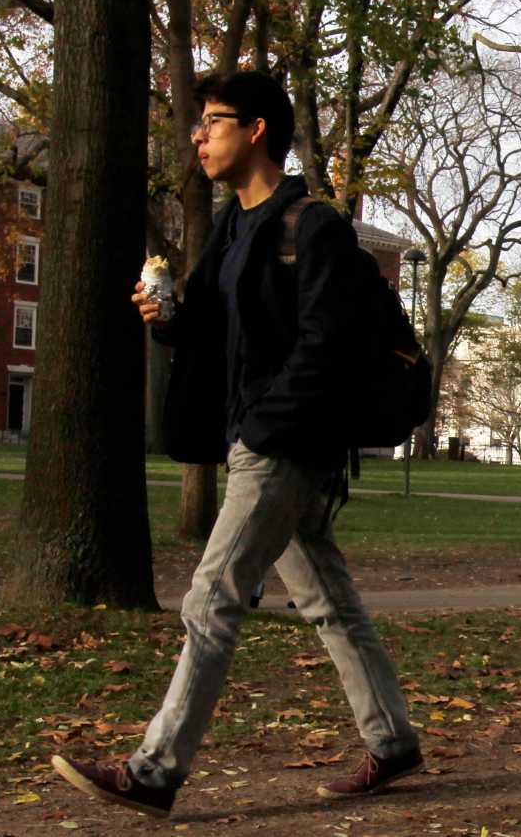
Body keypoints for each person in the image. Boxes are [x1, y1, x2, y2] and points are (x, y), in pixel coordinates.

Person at [51, 71, 421, 819]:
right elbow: (211, 329)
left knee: (212, 596)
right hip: (259, 438)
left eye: (211, 122)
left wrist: (263, 425)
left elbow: (327, 343)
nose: (198, 136)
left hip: (283, 444)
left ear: (255, 131)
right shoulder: (231, 224)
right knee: (326, 597)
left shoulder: (310, 224)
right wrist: (166, 312)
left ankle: (154, 770)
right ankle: (394, 740)